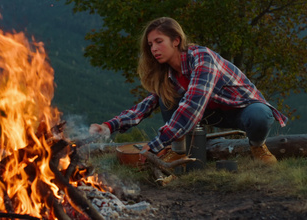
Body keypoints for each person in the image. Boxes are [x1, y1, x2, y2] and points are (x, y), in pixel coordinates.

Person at [89, 17, 287, 164]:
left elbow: (192, 105)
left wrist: (156, 144)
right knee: (165, 98)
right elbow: (146, 106)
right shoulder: (169, 73)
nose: (154, 49)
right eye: (150, 45)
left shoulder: (202, 58)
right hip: (208, 113)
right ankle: (178, 151)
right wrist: (109, 126)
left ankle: (257, 146)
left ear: (176, 41)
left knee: (260, 115)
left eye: (159, 41)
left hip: (240, 110)